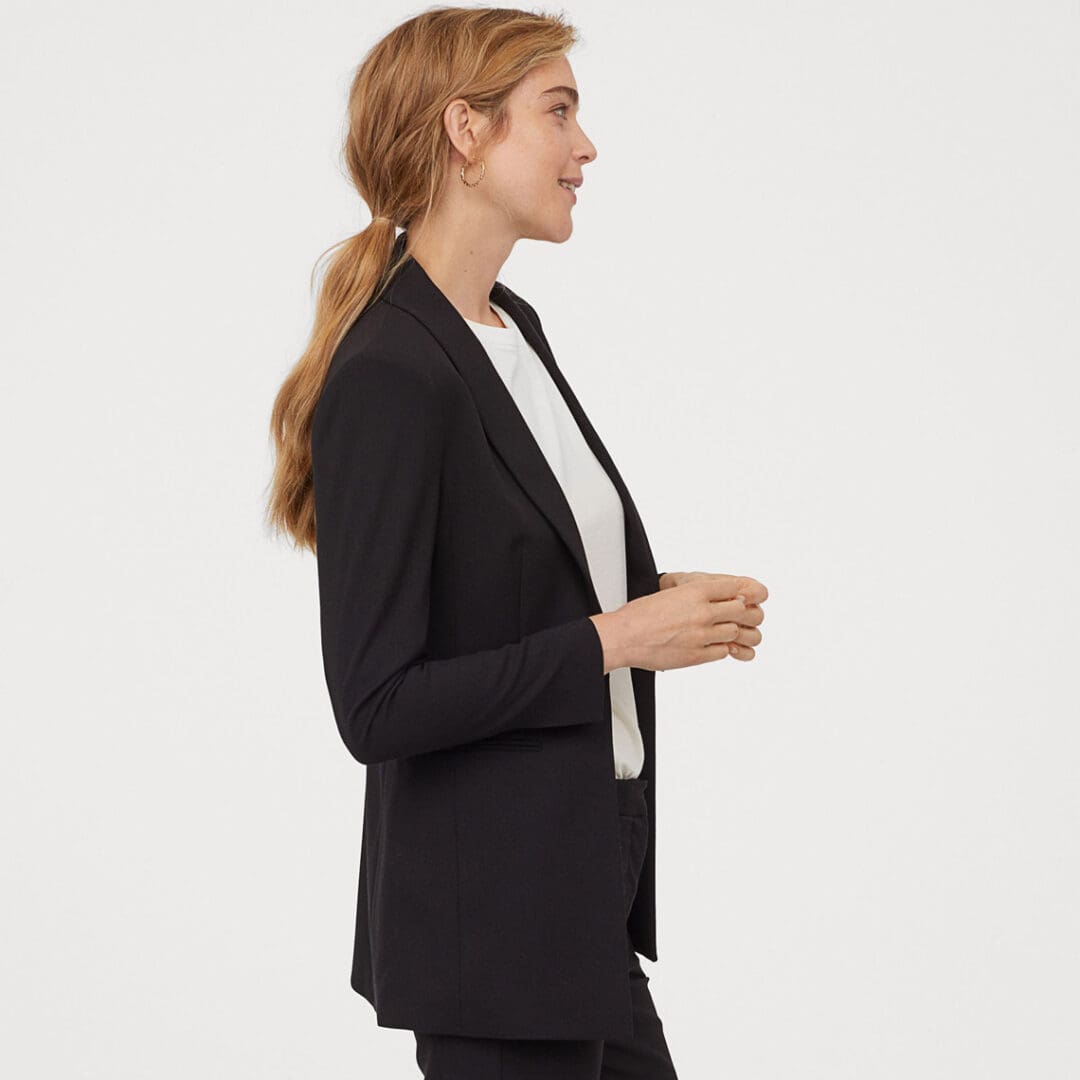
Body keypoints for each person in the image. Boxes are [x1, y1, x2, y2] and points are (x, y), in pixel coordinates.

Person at [266, 7, 767, 1077]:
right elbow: (377, 704)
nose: (587, 147)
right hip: (490, 931)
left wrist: (657, 598)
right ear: (466, 131)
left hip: (580, 897)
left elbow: (509, 579)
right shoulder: (391, 372)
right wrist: (619, 636)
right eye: (559, 112)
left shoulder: (511, 328)